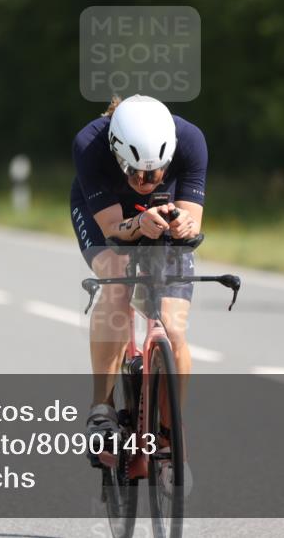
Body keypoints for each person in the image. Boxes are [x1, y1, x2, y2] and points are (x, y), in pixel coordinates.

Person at [70, 94, 207, 466]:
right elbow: (114, 229)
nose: (143, 181)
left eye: (154, 173)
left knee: (174, 329)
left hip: (165, 211)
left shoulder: (191, 140)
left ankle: (169, 432)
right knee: (116, 281)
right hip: (105, 214)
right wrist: (136, 224)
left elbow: (193, 223)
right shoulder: (90, 144)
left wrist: (183, 223)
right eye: (134, 173)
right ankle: (101, 408)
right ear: (117, 155)